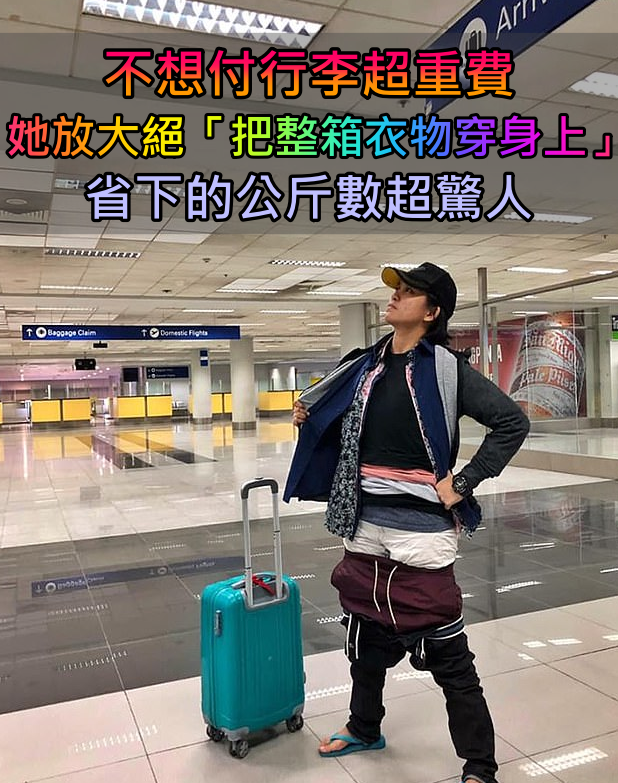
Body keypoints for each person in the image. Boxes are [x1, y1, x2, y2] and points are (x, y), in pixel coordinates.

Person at [285, 263, 530, 783]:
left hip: (421, 531)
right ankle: (364, 726)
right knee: (365, 637)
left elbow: (512, 422)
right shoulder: (364, 364)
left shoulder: (446, 371)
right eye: (396, 289)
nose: (395, 297)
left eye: (409, 292)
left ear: (432, 312)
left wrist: (465, 481)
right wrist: (311, 416)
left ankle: (480, 766)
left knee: (448, 656)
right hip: (363, 523)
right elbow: (343, 424)